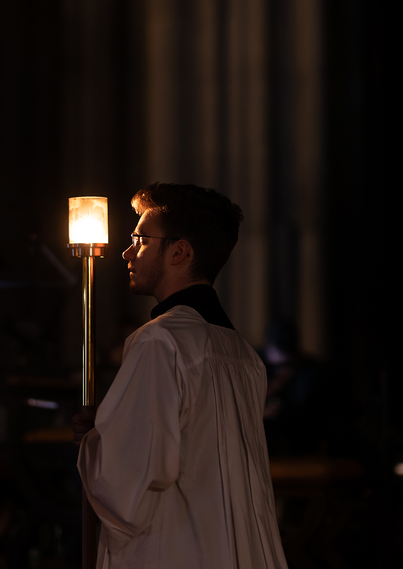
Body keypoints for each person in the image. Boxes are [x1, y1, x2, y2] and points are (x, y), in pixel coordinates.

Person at [73, 182, 288, 569]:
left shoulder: (160, 341)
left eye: (140, 240)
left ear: (179, 251)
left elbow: (128, 483)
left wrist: (93, 441)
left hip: (177, 548)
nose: (127, 252)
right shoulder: (243, 354)